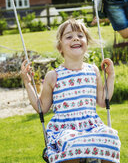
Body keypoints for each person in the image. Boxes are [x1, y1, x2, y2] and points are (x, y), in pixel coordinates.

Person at [21, 19, 121, 163]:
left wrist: (110, 76)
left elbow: (102, 101)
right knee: (71, 143)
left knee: (110, 138)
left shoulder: (93, 71)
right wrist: (27, 83)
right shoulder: (53, 76)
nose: (75, 38)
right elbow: (41, 107)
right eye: (69, 36)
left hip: (91, 126)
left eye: (80, 36)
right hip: (64, 129)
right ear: (60, 47)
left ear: (86, 43)